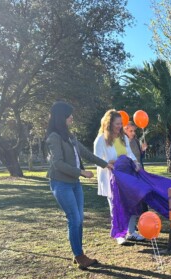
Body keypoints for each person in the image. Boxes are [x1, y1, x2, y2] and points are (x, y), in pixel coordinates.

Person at [45, 101, 113, 269]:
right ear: (62, 117)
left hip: (74, 184)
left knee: (79, 219)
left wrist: (106, 164)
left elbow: (86, 153)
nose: (72, 118)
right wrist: (81, 172)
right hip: (61, 184)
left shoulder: (70, 136)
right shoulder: (54, 137)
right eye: (69, 115)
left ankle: (78, 254)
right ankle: (79, 255)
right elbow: (58, 164)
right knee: (74, 219)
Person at [94, 109, 143, 244]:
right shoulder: (100, 140)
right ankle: (119, 234)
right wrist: (108, 163)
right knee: (116, 206)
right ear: (108, 124)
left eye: (121, 123)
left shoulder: (123, 137)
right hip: (112, 178)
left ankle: (131, 232)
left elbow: (129, 154)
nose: (119, 126)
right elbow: (97, 160)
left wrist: (135, 162)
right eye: (117, 124)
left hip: (127, 176)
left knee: (132, 202)